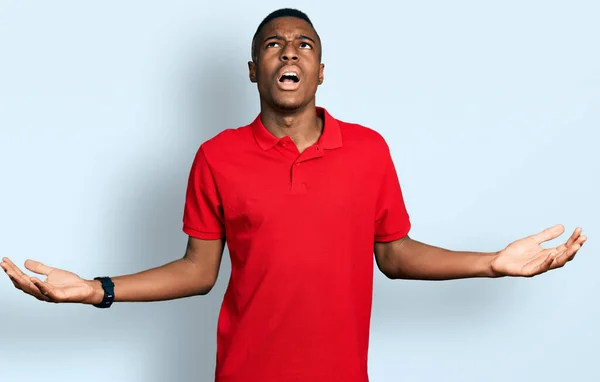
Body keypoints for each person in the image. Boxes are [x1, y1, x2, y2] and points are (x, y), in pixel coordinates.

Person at [1, 8, 587, 382]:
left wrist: (492, 263)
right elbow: (198, 271)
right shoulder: (217, 157)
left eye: (304, 44)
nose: (288, 51)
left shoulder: (368, 150)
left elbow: (395, 254)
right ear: (253, 70)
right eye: (274, 44)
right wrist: (96, 290)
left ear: (321, 70)